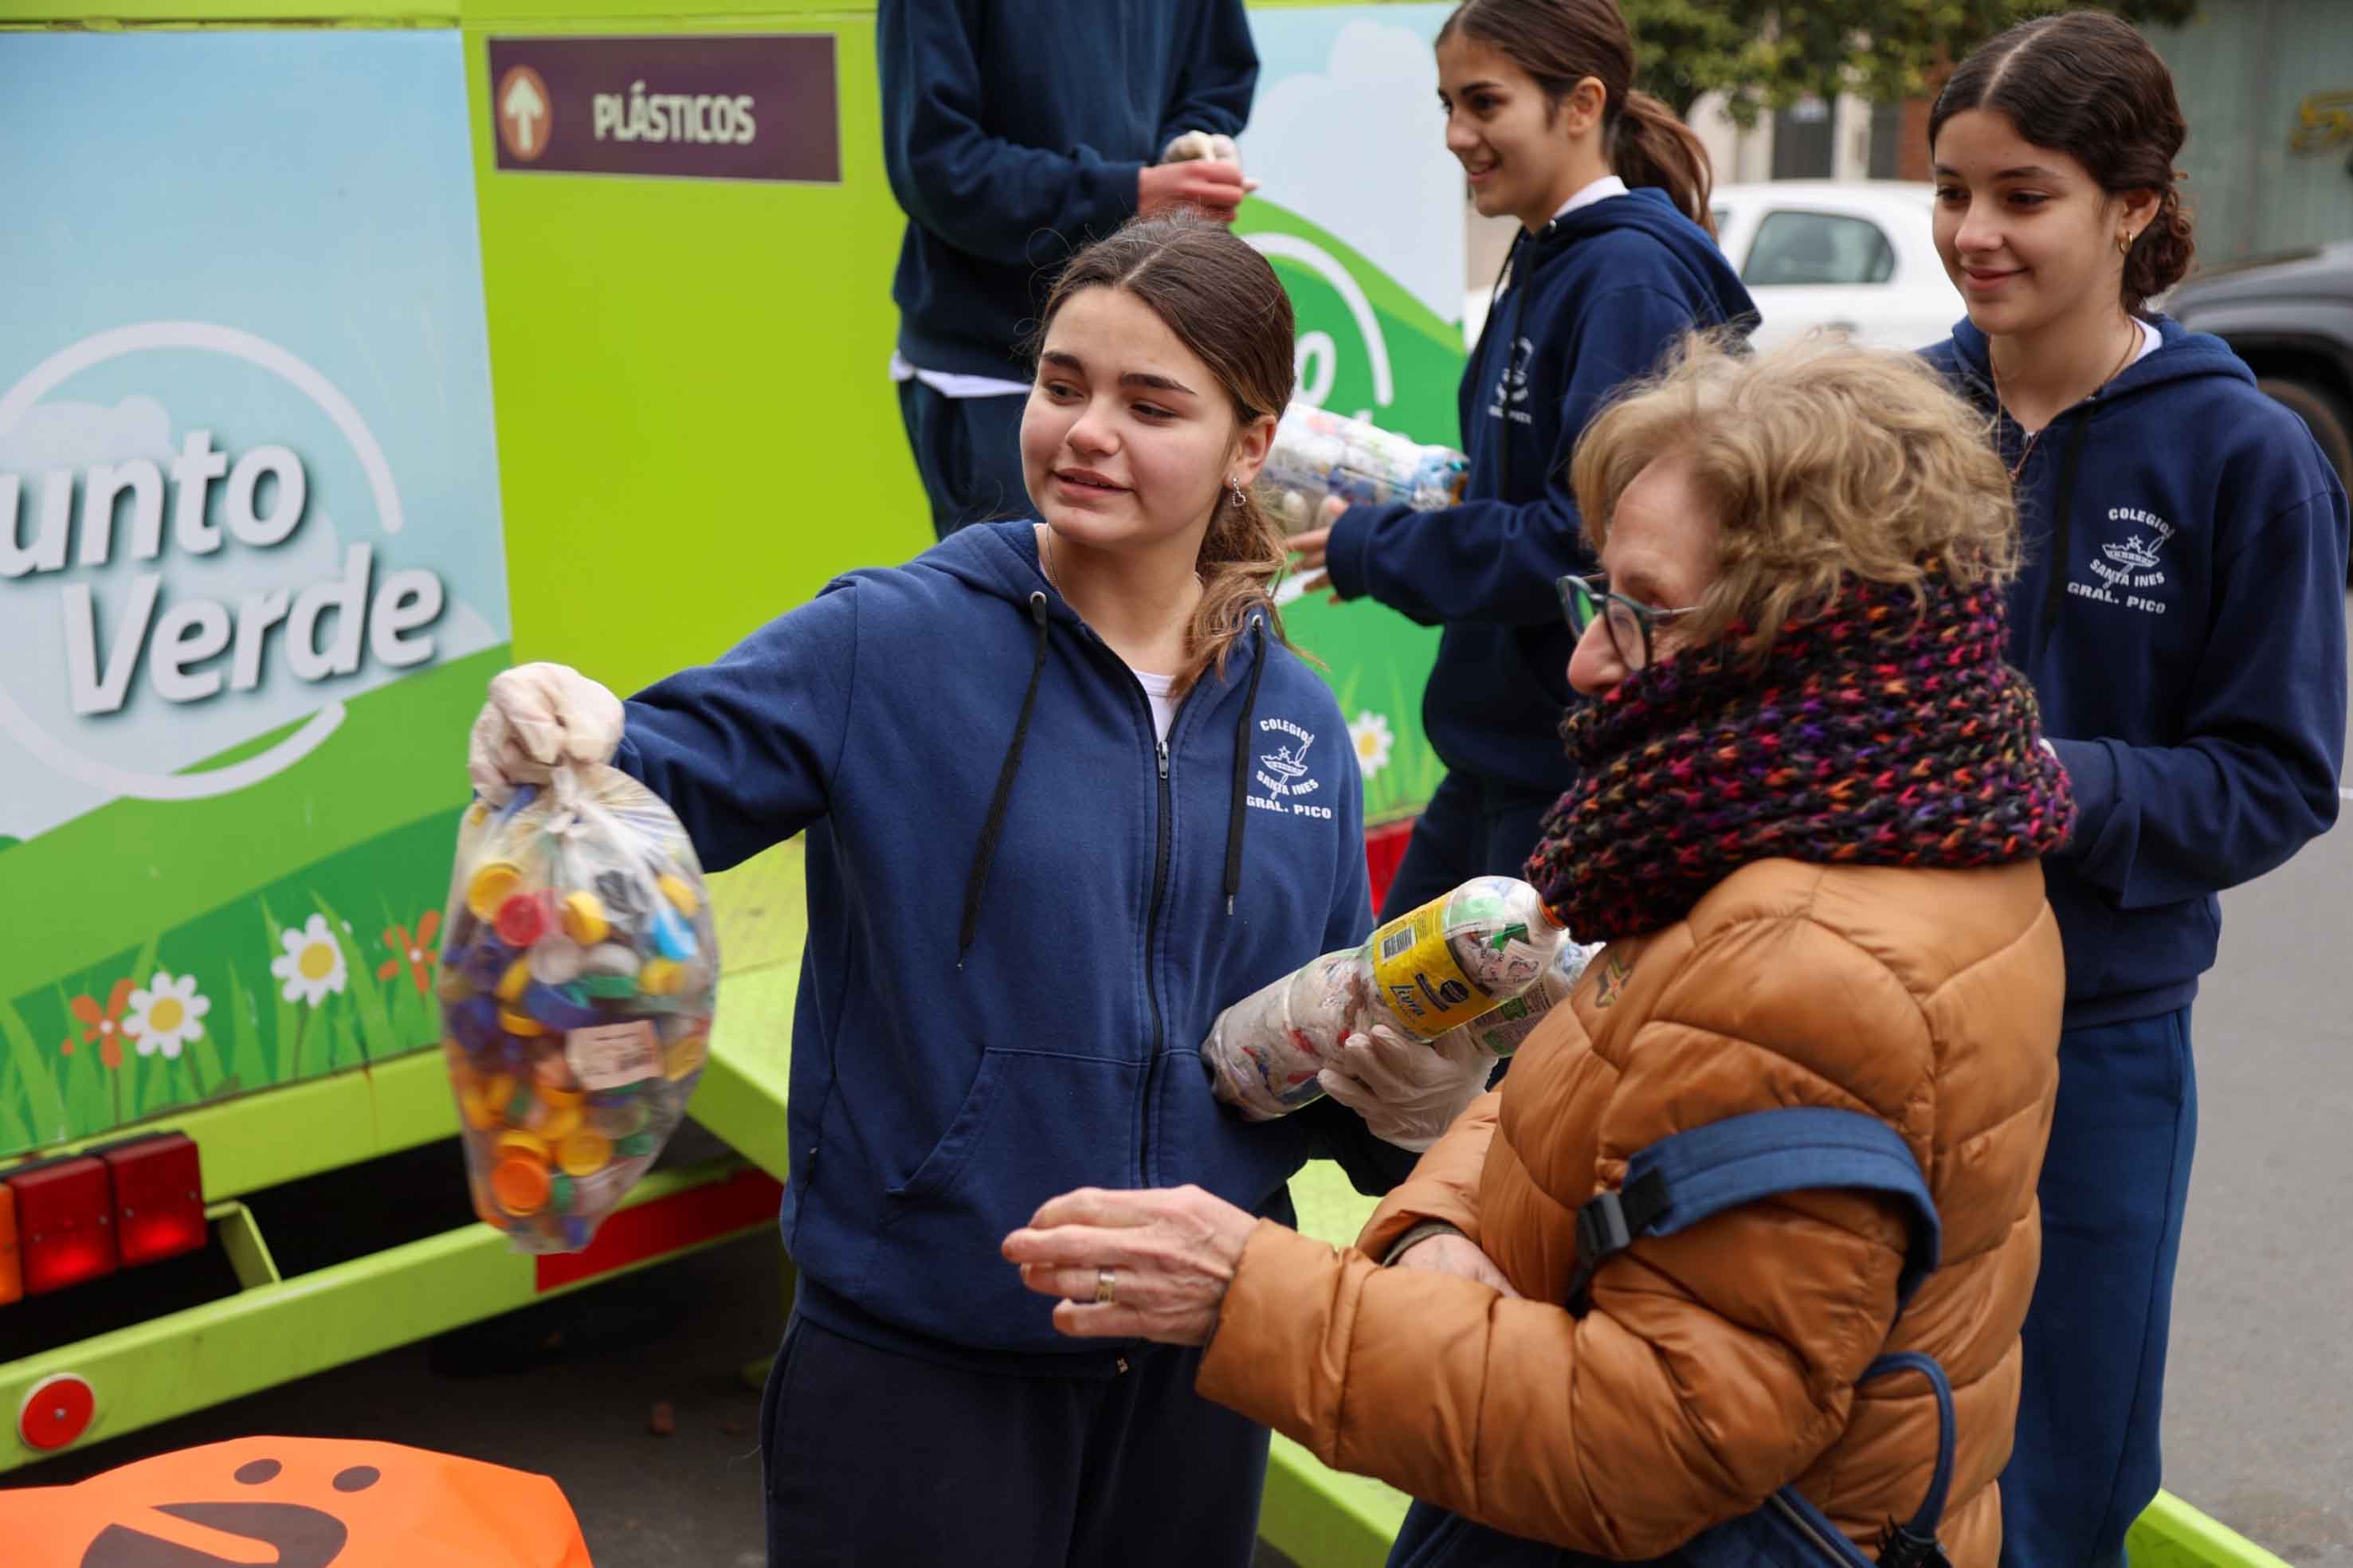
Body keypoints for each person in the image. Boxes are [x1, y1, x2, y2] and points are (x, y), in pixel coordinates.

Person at [465, 217, 1485, 1567]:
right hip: (915, 1361)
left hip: (1194, 1369)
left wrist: (1409, 1103)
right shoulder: (891, 637)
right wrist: (564, 732)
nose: (1085, 432)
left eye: (1148, 403)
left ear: (1251, 445)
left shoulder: (1293, 722)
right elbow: (655, 777)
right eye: (1061, 385)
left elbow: (1302, 1054)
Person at [1005, 335, 2077, 1566]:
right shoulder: (1889, 820)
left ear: (1800, 643)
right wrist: (1440, 1227)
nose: (1584, 660)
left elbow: (1656, 1442)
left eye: (1636, 616)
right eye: (1595, 600)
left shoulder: (1807, 965)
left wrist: (1250, 1291)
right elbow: (1600, 1106)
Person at [1920, 15, 2350, 1566]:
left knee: (2058, 1466)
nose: (1975, 235)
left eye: (2022, 196)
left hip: (2092, 1041)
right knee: (1850, 1424)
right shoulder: (1893, 427)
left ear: (2135, 209)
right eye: (1952, 191)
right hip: (1861, 1014)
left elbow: (2276, 780)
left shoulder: (2248, 457)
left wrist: (2052, 783)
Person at [1286, 0, 1755, 922]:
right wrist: (1421, 509)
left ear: (1580, 105)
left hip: (1568, 770)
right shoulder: (1549, 257)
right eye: (1446, 106)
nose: (1458, 134)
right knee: (1366, 1039)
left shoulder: (1628, 279)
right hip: (1497, 755)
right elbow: (1533, 486)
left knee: (1466, 1061)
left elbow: (1588, 541)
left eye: (1484, 103)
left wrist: (1380, 550)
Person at [881, 0, 1261, 539]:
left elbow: (1217, 82)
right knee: (1025, 612)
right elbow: (938, 167)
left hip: (1152, 355)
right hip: (994, 368)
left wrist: (1188, 144)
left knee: (1145, 611)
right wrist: (1124, 194)